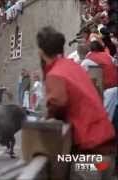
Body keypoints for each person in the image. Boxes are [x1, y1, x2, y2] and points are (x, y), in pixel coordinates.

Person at [37, 26, 115, 157]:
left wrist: (48, 118)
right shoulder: (72, 66)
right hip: (106, 144)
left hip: (92, 153)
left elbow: (58, 102)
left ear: (41, 52)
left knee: (66, 167)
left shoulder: (55, 74)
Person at [81, 41, 118, 121]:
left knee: (105, 121)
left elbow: (80, 77)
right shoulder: (107, 55)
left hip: (107, 93)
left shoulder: (87, 60)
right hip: (115, 88)